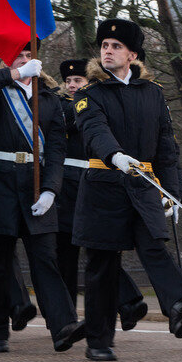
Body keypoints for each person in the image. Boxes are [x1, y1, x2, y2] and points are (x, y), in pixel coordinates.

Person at [73, 18, 182, 361]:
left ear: (132, 54)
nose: (108, 51)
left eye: (116, 46)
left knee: (154, 245)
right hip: (104, 185)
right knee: (102, 265)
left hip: (144, 185)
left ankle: (180, 304)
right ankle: (99, 341)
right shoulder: (91, 94)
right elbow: (94, 130)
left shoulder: (153, 94)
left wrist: (175, 194)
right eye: (104, 45)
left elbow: (167, 148)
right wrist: (114, 154)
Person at [0, 41, 85, 354]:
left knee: (46, 259)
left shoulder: (48, 97)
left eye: (29, 55)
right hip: (0, 184)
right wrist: (15, 72)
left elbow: (58, 147)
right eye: (18, 55)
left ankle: (62, 326)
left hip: (36, 183)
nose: (25, 59)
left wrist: (51, 189)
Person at [56, 60, 147, 333]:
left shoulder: (93, 104)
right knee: (68, 254)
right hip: (65, 188)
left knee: (99, 250)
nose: (73, 85)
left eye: (78, 81)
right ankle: (69, 315)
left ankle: (127, 301)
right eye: (69, 81)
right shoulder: (60, 105)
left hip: (95, 183)